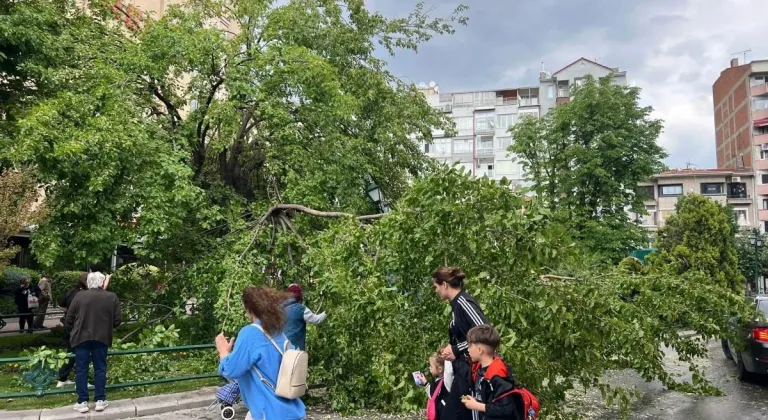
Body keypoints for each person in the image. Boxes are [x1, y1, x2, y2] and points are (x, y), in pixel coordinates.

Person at [216, 286, 306, 420]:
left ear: (249, 309)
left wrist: (223, 352)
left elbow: (231, 370)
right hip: (291, 410)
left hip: (268, 412)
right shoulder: (278, 333)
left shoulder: (251, 333)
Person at [432, 266, 489, 420]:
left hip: (472, 370)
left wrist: (457, 349)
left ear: (444, 285)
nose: (435, 291)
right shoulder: (455, 306)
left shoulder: (464, 302)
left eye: (435, 287)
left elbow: (485, 331)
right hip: (463, 370)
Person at [65, 272, 122, 414]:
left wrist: (72, 330)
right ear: (102, 283)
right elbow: (117, 320)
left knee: (81, 369)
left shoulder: (79, 296)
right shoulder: (111, 297)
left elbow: (69, 318)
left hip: (80, 337)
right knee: (100, 368)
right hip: (102, 337)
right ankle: (100, 400)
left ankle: (82, 401)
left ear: (89, 282)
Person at [461, 325, 518, 420]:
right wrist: (475, 401)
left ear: (480, 350)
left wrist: (476, 405)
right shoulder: (480, 369)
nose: (468, 350)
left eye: (470, 346)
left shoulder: (497, 374)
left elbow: (507, 409)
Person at [57, 273, 88, 387]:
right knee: (81, 351)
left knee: (71, 351)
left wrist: (68, 312)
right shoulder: (84, 294)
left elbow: (61, 305)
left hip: (69, 325)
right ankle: (77, 378)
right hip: (79, 325)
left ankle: (63, 377)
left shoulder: (71, 292)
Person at [282, 283, 326, 350]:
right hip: (295, 349)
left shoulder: (280, 309)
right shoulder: (301, 309)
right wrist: (326, 312)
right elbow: (317, 320)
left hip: (281, 348)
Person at [426, 346, 451, 420]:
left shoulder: (440, 382)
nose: (429, 368)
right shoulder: (443, 379)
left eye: (431, 366)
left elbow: (432, 395)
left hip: (442, 412)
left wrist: (425, 384)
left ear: (439, 369)